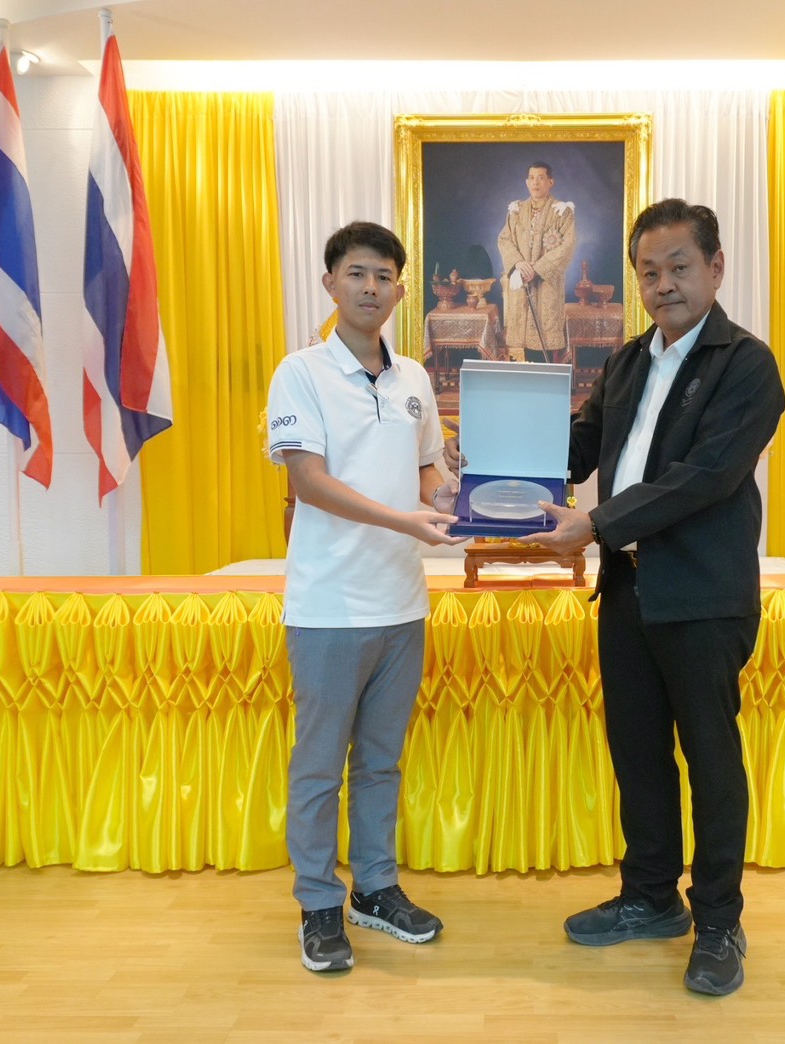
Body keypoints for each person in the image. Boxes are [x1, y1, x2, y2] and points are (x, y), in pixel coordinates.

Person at [524, 198, 785, 995]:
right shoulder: (630, 360)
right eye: (649, 271)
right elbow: (578, 445)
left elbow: (705, 478)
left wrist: (596, 523)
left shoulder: (747, 365)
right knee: (637, 752)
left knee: (709, 759)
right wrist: (499, 462)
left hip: (703, 595)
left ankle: (720, 922)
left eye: (679, 267)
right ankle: (650, 897)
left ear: (715, 268)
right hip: (630, 587)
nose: (663, 284)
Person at [265, 220, 466, 974]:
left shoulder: (413, 378)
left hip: (402, 603)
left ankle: (375, 889)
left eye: (384, 276)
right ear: (330, 283)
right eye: (356, 273)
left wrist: (446, 492)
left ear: (401, 290)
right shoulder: (301, 373)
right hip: (330, 606)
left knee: (381, 763)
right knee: (320, 766)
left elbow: (426, 471)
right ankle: (319, 902)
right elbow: (309, 482)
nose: (370, 288)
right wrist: (405, 518)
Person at [496, 161, 577, 361]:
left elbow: (567, 246)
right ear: (526, 182)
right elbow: (504, 239)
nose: (535, 183)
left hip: (546, 286)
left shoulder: (562, 212)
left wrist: (537, 269)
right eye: (532, 178)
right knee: (521, 344)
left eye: (541, 178)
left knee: (544, 344)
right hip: (521, 282)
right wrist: (518, 264)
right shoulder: (516, 211)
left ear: (551, 182)